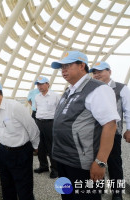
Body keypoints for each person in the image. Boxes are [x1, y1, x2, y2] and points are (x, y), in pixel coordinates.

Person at [51, 51, 120, 200]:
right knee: (67, 195)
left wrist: (100, 162)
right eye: (61, 67)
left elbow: (110, 125)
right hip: (63, 159)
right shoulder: (69, 91)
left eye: (67, 65)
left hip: (81, 163)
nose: (63, 70)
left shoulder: (98, 89)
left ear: (82, 66)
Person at [0, 78, 40, 200]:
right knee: (7, 188)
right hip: (3, 152)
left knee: (24, 189)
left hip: (21, 153)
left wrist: (35, 147)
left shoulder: (14, 107)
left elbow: (33, 128)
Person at [90, 61, 130, 200]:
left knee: (114, 164)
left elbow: (128, 109)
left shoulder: (121, 88)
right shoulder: (91, 88)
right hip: (93, 135)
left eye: (100, 71)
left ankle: (117, 192)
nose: (97, 74)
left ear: (110, 72)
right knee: (96, 162)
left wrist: (129, 129)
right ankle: (99, 187)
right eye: (94, 72)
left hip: (113, 134)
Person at [33, 76, 60, 179]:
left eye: (41, 84)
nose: (39, 86)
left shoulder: (55, 96)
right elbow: (37, 109)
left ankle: (55, 169)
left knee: (51, 147)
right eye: (38, 84)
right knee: (40, 146)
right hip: (39, 122)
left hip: (51, 123)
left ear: (48, 84)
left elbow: (59, 110)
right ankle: (43, 166)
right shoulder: (37, 97)